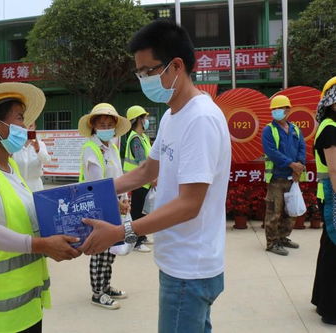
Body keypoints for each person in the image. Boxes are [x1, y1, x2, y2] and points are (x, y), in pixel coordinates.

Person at [79, 20, 231, 333]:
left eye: (148, 71)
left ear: (176, 66)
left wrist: (121, 231)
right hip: (179, 262)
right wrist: (90, 191)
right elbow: (147, 171)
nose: (143, 79)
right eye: (140, 73)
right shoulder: (173, 116)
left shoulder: (200, 119)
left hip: (190, 269)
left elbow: (190, 204)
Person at [0, 82, 81, 333]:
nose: (25, 127)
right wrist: (41, 245)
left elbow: (26, 216)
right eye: (20, 118)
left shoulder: (10, 168)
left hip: (26, 296)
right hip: (5, 303)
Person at [78, 102, 132, 310]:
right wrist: (115, 203)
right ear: (93, 126)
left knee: (110, 249)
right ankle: (97, 292)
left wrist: (125, 199)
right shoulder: (91, 149)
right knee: (99, 249)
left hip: (114, 206)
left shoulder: (112, 148)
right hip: (98, 207)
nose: (106, 127)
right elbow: (96, 185)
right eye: (102, 124)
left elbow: (120, 177)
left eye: (110, 124)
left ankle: (106, 285)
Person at [262, 95, 306, 256]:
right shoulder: (269, 130)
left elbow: (302, 147)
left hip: (292, 178)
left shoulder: (295, 129)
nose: (276, 112)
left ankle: (283, 238)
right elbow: (271, 152)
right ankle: (272, 242)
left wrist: (299, 166)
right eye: (273, 109)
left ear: (288, 110)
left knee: (290, 211)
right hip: (276, 178)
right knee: (274, 212)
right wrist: (291, 164)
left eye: (279, 108)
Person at [311, 76, 336, 325]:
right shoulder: (329, 128)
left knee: (329, 249)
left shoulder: (330, 125)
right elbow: (334, 170)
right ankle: (331, 309)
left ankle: (322, 300)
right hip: (332, 196)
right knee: (333, 252)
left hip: (329, 195)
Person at [123, 105, 155, 253]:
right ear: (139, 120)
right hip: (139, 181)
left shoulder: (143, 137)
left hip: (144, 181)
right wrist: (152, 177)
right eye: (145, 117)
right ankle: (136, 242)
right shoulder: (135, 139)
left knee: (143, 211)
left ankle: (142, 236)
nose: (147, 120)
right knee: (137, 212)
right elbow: (142, 163)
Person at [12, 122, 52, 192]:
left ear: (35, 127)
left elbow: (47, 161)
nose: (28, 129)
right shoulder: (14, 144)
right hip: (17, 185)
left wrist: (37, 149)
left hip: (35, 186)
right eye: (25, 127)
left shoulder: (40, 144)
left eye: (30, 126)